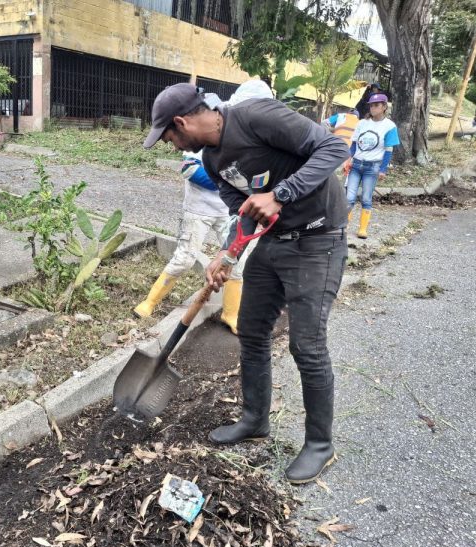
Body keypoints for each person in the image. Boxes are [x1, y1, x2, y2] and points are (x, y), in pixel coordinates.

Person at [143, 83, 350, 484]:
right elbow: (244, 213)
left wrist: (281, 194)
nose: (172, 146)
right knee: (252, 332)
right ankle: (255, 419)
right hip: (274, 242)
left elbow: (334, 149)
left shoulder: (257, 116)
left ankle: (320, 444)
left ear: (181, 122)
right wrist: (228, 252)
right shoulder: (212, 158)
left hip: (318, 239)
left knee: (306, 346)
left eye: (169, 137)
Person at [134, 80, 273, 333]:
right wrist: (224, 182)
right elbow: (188, 169)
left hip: (228, 213)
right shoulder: (206, 124)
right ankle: (149, 303)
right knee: (185, 258)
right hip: (198, 210)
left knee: (236, 264)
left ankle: (231, 314)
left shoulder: (245, 132)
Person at [344, 93, 400, 239]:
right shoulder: (362, 123)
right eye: (371, 105)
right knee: (349, 197)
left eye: (376, 105)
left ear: (384, 107)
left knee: (366, 198)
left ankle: (362, 229)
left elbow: (388, 150)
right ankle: (344, 226)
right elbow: (354, 144)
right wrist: (348, 159)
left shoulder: (390, 126)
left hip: (372, 167)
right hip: (356, 165)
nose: (373, 108)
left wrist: (383, 169)